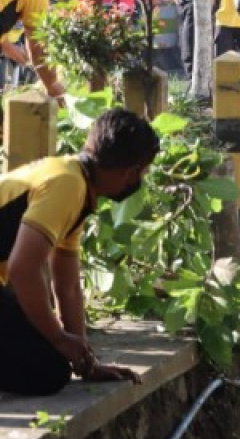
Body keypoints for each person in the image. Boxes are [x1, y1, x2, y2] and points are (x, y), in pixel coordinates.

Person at [0, 109, 158, 395]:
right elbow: (22, 269)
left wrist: (86, 360)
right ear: (130, 171)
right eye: (142, 173)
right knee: (46, 370)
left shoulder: (75, 181)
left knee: (52, 361)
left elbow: (68, 285)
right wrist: (59, 338)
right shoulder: (67, 185)